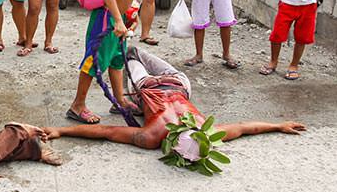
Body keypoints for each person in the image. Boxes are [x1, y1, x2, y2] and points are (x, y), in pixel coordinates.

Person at [44, 47, 304, 149]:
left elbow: (106, 131)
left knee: (128, 55)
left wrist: (61, 131)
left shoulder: (152, 136)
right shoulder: (204, 130)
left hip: (149, 87)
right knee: (131, 54)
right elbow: (247, 128)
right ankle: (129, 50)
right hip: (176, 83)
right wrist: (278, 126)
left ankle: (128, 52)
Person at [67, 0, 178, 125]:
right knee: (94, 61)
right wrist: (118, 20)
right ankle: (78, 105)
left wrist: (128, 17)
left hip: (119, 19)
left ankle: (119, 101)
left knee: (117, 61)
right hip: (106, 20)